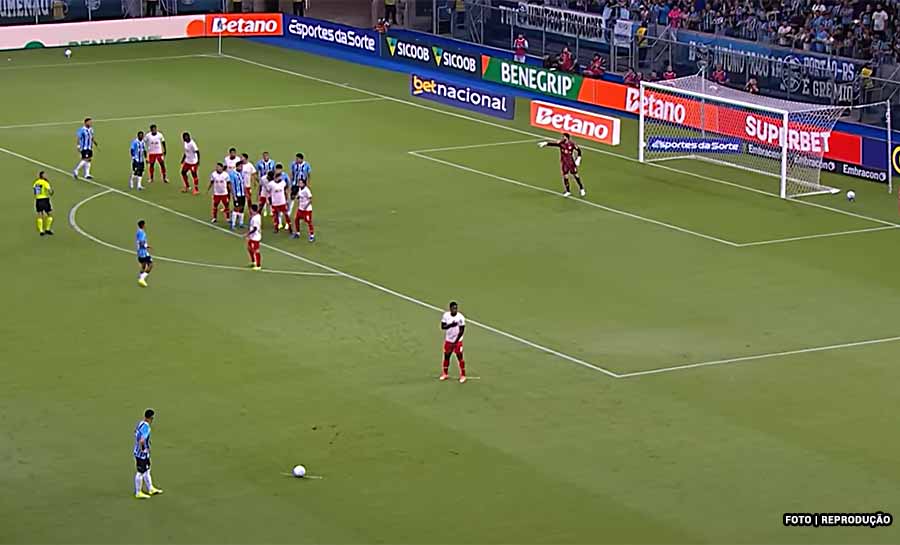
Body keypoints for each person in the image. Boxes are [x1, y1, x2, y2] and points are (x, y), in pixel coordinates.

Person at [538, 132, 585, 197]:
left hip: (571, 163)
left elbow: (579, 151)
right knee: (565, 176)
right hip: (564, 163)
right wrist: (546, 143)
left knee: (576, 176)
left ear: (567, 138)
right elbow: (553, 144)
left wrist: (578, 159)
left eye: (564, 137)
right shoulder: (561, 143)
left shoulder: (572, 144)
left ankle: (581, 189)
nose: (562, 138)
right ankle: (568, 191)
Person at [133, 408, 163, 499]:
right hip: (141, 454)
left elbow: (136, 433)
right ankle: (138, 492)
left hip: (139, 452)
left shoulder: (140, 423)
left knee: (147, 470)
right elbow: (142, 440)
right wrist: (143, 449)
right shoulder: (146, 427)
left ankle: (150, 488)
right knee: (140, 472)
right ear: (151, 418)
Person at [439, 301, 466, 383]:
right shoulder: (446, 315)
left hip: (457, 341)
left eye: (456, 308)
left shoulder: (460, 317)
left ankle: (463, 375)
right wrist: (451, 325)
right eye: (453, 308)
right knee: (446, 356)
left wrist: (456, 341)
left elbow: (462, 331)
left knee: (460, 357)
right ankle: (445, 374)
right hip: (448, 340)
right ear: (450, 308)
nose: (455, 310)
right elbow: (443, 327)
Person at [266, 170, 293, 235]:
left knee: (286, 215)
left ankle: (290, 227)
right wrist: (269, 199)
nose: (279, 178)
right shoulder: (271, 184)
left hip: (282, 202)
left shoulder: (283, 183)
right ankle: (276, 228)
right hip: (275, 202)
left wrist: (286, 198)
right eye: (278, 177)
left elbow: (285, 190)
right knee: (275, 216)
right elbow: (268, 191)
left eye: (280, 177)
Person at [288, 153, 311, 219]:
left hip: (303, 185)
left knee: (302, 199)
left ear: (301, 159)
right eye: (296, 158)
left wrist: (308, 184)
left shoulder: (306, 165)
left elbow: (308, 175)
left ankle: (303, 213)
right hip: (295, 184)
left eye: (297, 159)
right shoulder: (293, 164)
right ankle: (289, 212)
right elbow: (292, 173)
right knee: (292, 197)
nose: (296, 160)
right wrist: (290, 183)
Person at [32, 171, 54, 236]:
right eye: (45, 175)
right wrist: (51, 192)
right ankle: (47, 229)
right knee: (49, 215)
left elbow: (35, 192)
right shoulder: (45, 182)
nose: (46, 176)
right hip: (45, 200)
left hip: (38, 200)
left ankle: (41, 231)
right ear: (43, 176)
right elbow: (50, 192)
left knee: (40, 215)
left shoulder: (36, 182)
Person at [256, 152, 276, 217]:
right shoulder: (259, 163)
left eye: (266, 156)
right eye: (264, 156)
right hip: (264, 182)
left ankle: (271, 210)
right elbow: (257, 172)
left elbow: (274, 171)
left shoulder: (272, 162)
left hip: (270, 182)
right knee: (263, 198)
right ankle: (264, 211)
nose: (265, 157)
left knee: (270, 198)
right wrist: (258, 180)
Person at [228, 158, 246, 230]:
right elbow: (231, 185)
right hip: (237, 194)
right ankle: (233, 224)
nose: (241, 168)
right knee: (236, 208)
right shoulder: (232, 174)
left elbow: (243, 184)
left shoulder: (241, 173)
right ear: (237, 166)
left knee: (242, 208)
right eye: (240, 166)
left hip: (242, 194)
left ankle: (241, 223)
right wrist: (234, 195)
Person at [136, 220, 152, 287]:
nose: (145, 226)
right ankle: (142, 279)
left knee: (144, 265)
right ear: (142, 225)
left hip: (139, 252)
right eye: (144, 224)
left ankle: (140, 277)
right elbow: (141, 242)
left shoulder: (138, 232)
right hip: (143, 252)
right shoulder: (142, 233)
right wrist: (147, 246)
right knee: (150, 265)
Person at [245, 204, 262, 270]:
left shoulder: (255, 218)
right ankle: (253, 261)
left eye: (250, 209)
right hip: (252, 236)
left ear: (252, 209)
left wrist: (248, 234)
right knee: (249, 248)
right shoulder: (257, 215)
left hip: (255, 237)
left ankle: (258, 265)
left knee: (256, 250)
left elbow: (255, 228)